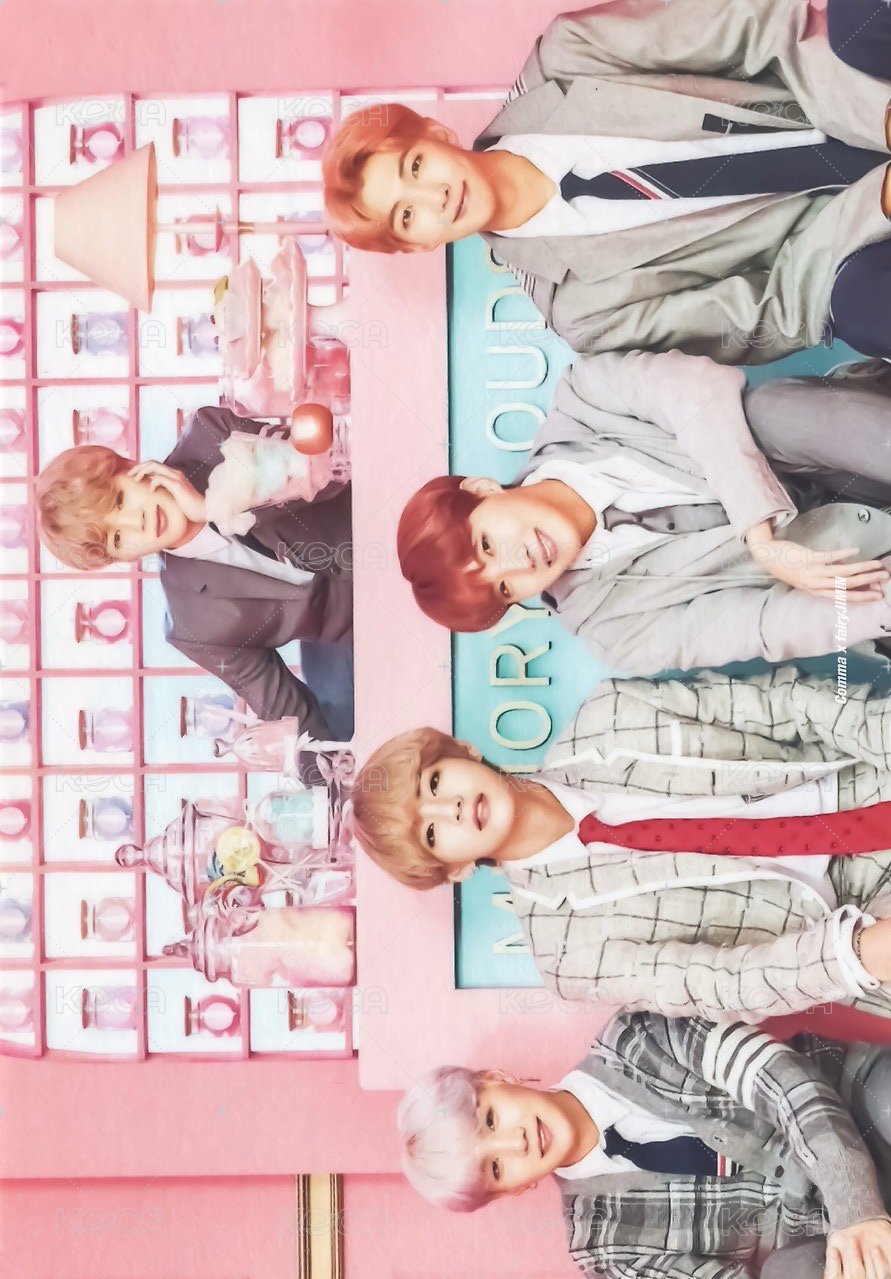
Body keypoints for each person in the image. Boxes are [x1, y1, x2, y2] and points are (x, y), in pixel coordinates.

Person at [323, 0, 891, 364]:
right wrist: (873, 206)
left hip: (826, 95)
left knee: (854, 16)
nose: (435, 197)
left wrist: (874, 115)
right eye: (407, 215)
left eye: (415, 167)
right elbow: (767, 313)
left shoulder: (568, 55)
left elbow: (755, 26)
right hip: (834, 238)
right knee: (861, 305)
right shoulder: (582, 312)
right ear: (419, 245)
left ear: (435, 133)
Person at [352, 664, 891, 1023]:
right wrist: (856, 953)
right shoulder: (567, 955)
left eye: (434, 783)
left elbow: (782, 702)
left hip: (866, 772)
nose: (448, 808)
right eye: (431, 833)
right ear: (455, 870)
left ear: (463, 751)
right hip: (853, 926)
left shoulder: (608, 714)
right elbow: (722, 984)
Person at [397, 348, 891, 674]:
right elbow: (761, 625)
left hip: (836, 442)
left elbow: (699, 391)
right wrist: (881, 603)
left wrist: (759, 537)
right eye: (505, 589)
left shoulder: (583, 397)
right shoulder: (612, 633)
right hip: (854, 558)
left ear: (482, 489)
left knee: (766, 412)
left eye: (487, 545)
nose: (519, 564)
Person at [399, 1010, 891, 1279]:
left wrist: (856, 1207)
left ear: (495, 1078)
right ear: (512, 1191)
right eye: (497, 1168)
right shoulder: (602, 1247)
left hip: (848, 1106)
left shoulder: (634, 1037)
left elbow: (776, 1077)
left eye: (491, 1119)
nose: (517, 1142)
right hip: (818, 1240)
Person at [36, 405, 353, 740]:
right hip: (365, 633)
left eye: (120, 500)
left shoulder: (210, 436)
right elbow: (294, 724)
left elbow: (332, 463)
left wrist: (215, 507)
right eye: (117, 538)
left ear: (130, 468)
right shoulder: (191, 626)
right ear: (122, 558)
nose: (136, 523)